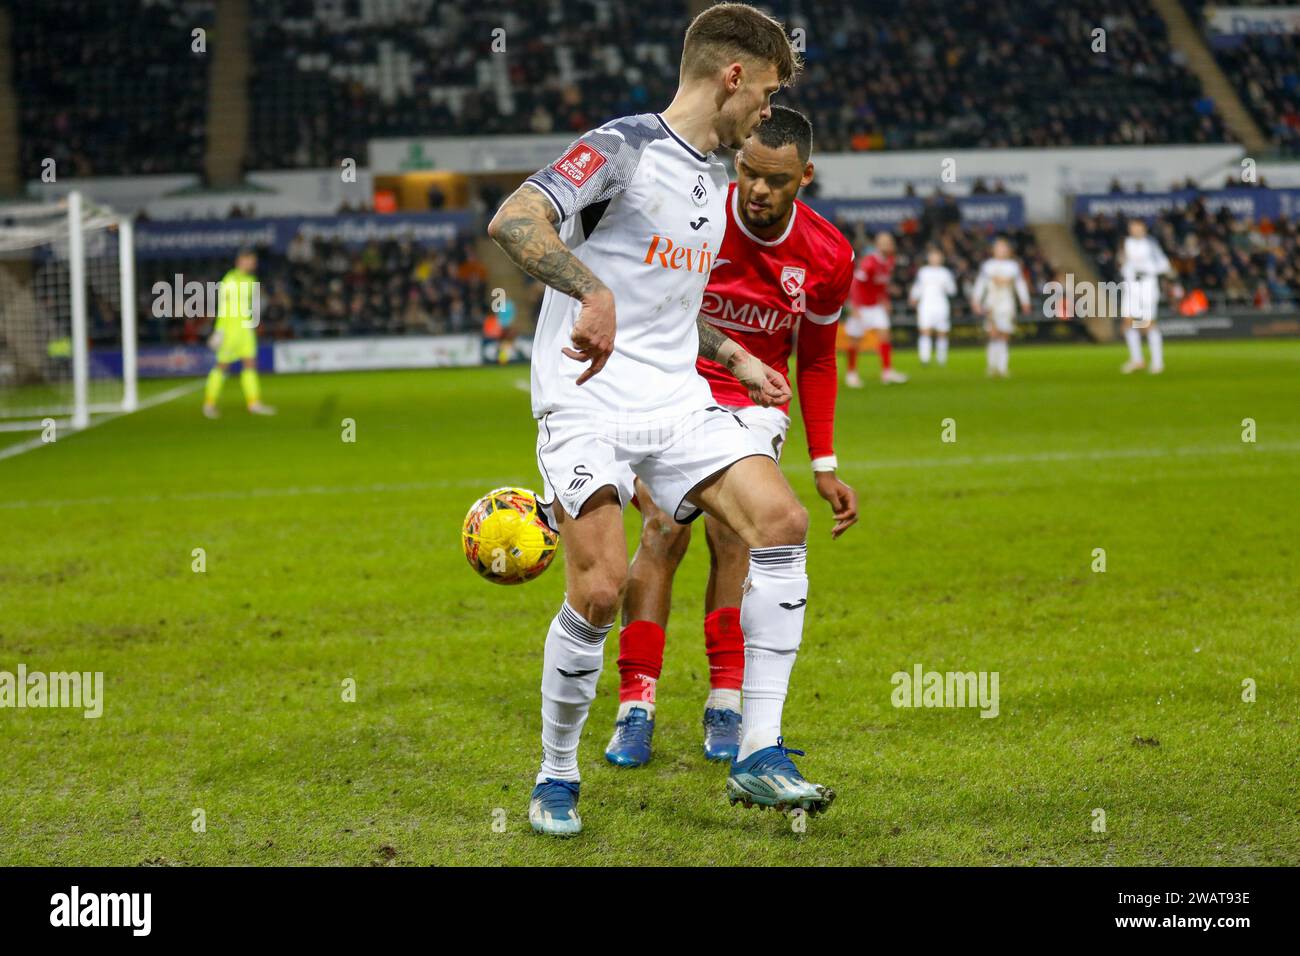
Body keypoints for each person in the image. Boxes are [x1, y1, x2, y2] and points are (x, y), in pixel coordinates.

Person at [487, 3, 835, 837]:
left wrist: (737, 354)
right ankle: (556, 773)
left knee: (781, 521)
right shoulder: (621, 149)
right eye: (768, 92)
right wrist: (590, 292)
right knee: (602, 590)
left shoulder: (716, 179)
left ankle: (759, 752)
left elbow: (662, 300)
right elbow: (513, 221)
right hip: (586, 402)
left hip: (677, 400)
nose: (767, 113)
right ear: (734, 76)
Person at [604, 106, 858, 768]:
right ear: (735, 163)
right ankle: (637, 704)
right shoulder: (696, 218)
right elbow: (646, 311)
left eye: (777, 181)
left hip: (752, 404)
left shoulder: (828, 253)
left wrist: (824, 462)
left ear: (805, 176)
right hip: (671, 389)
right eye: (748, 173)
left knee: (735, 537)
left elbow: (820, 358)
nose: (759, 191)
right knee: (662, 530)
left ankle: (725, 700)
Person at [203, 249, 274, 417]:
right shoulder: (230, 280)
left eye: (254, 261)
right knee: (222, 366)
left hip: (245, 330)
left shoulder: (251, 280)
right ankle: (209, 404)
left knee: (250, 363)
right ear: (241, 261)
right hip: (231, 329)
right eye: (251, 260)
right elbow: (224, 307)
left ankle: (254, 403)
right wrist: (219, 330)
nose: (253, 264)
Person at [844, 232, 907, 385]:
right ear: (877, 245)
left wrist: (885, 300)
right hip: (861, 306)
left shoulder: (890, 261)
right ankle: (851, 374)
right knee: (855, 341)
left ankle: (887, 372)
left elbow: (880, 284)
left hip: (876, 306)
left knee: (885, 335)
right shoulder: (869, 262)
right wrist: (854, 306)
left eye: (889, 242)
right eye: (884, 242)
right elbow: (855, 283)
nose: (887, 245)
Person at [1119, 219, 1175, 374]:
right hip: (1131, 286)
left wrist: (1147, 269)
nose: (1134, 230)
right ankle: (1137, 360)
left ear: (1143, 229)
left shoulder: (1150, 244)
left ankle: (1158, 362)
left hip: (1146, 286)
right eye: (1132, 227)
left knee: (1146, 323)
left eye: (1137, 227)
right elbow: (1124, 262)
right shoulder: (1127, 243)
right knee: (1128, 322)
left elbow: (1164, 265)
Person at [971, 237, 1030, 378]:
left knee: (1004, 334)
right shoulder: (988, 266)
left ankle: (1003, 368)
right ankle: (991, 367)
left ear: (1008, 250)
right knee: (992, 334)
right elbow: (981, 284)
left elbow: (1020, 284)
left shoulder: (1013, 266)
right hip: (991, 302)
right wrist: (976, 301)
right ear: (993, 250)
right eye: (998, 248)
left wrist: (1025, 301)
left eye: (1004, 248)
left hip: (1007, 303)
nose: (1001, 250)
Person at [909, 246, 958, 367]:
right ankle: (924, 358)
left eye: (937, 256)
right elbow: (917, 287)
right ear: (929, 258)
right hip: (926, 305)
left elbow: (952, 290)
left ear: (941, 258)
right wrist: (913, 297)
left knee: (942, 332)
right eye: (933, 256)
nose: (935, 259)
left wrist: (944, 285)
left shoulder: (945, 273)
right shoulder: (923, 272)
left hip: (941, 305)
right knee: (925, 331)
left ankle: (941, 359)